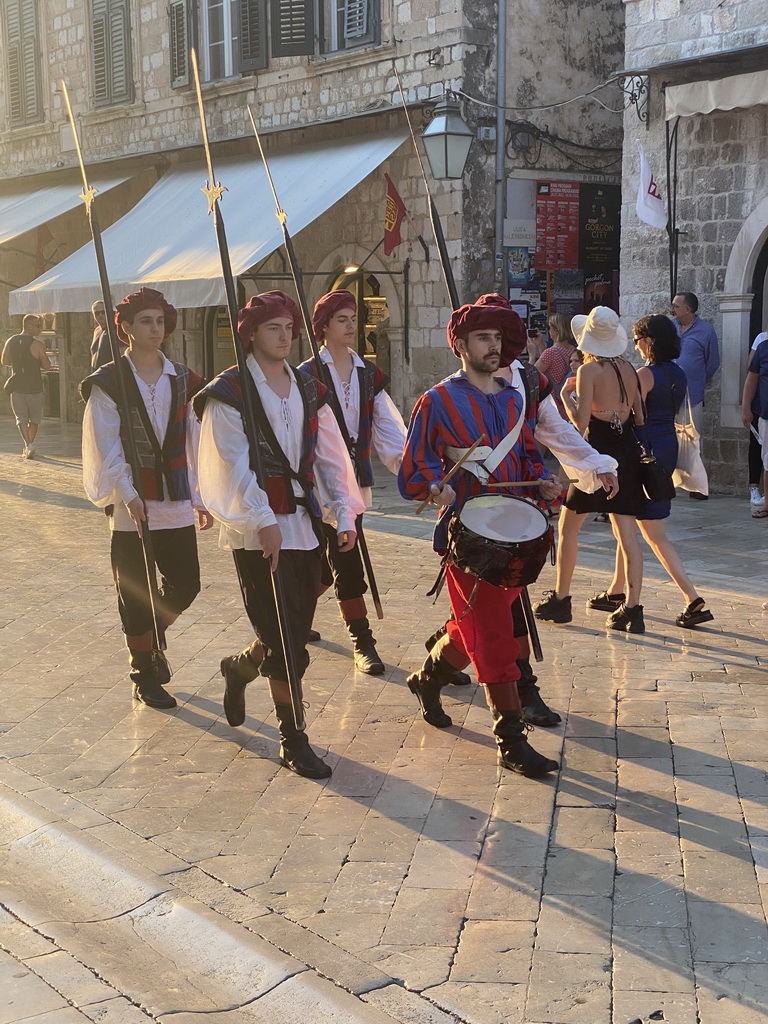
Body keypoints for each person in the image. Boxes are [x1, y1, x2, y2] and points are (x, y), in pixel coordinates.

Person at [195, 290, 364, 779]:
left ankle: (241, 667)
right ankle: (294, 738)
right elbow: (229, 463)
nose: (284, 336)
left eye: (289, 328)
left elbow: (330, 454)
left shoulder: (310, 387)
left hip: (305, 524)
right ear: (251, 334)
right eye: (274, 328)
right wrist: (259, 519)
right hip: (258, 531)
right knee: (286, 640)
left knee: (288, 629)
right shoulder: (229, 392)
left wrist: (344, 512)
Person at [399, 297, 562, 778]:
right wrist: (435, 484)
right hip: (469, 536)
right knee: (493, 634)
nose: (493, 347)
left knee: (471, 623)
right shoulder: (438, 400)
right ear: (461, 345)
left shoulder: (514, 397)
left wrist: (544, 482)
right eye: (483, 338)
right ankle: (510, 740)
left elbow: (529, 457)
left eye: (498, 338)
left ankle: (427, 679)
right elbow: (415, 468)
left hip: (512, 529)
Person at [81, 288, 212, 709]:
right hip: (131, 505)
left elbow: (195, 439)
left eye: (159, 322)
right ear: (125, 329)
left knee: (186, 583)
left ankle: (151, 640)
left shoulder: (183, 378)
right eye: (145, 322)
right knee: (135, 591)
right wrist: (127, 492)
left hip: (173, 498)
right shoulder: (109, 382)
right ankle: (144, 672)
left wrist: (202, 494)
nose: (155, 329)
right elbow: (106, 444)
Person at [298, 290, 407, 674]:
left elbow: (388, 428)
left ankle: (297, 621)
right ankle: (363, 641)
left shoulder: (368, 374)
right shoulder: (307, 375)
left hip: (354, 483)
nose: (350, 325)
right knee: (340, 564)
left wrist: (409, 466)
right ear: (323, 327)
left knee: (334, 565)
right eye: (341, 319)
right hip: (317, 484)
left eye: (352, 318)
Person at [593, 315, 714, 628]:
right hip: (667, 445)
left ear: (649, 341)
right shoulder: (679, 373)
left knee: (651, 534)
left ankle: (693, 599)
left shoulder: (645, 374)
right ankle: (616, 591)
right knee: (631, 524)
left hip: (644, 449)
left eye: (638, 339)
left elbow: (629, 414)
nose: (635, 345)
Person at [534, 306, 647, 632]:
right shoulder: (629, 367)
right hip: (625, 452)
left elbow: (580, 423)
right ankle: (633, 607)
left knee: (569, 528)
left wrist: (567, 395)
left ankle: (561, 598)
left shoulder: (588, 372)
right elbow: (639, 417)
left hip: (595, 454)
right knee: (628, 535)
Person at [671, 291, 720, 500]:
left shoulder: (705, 331)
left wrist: (697, 379)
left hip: (693, 394)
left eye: (676, 306)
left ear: (688, 309)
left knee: (693, 439)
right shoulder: (670, 328)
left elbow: (713, 362)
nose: (672, 309)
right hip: (669, 393)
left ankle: (697, 486)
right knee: (669, 438)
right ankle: (669, 482)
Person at [2, 314, 50, 459]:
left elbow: (4, 360)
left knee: (21, 418)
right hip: (34, 387)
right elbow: (47, 365)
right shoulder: (38, 344)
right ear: (28, 325)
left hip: (17, 386)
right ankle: (29, 444)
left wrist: (19, 366)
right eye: (37, 325)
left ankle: (28, 445)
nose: (40, 329)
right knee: (34, 419)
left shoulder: (10, 341)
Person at [742, 331, 768, 522]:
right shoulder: (763, 348)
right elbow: (752, 379)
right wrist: (746, 408)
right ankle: (767, 505)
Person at [535, 312, 576, 418]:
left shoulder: (550, 353)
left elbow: (533, 374)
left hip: (555, 405)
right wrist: (541, 346)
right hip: (571, 403)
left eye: (550, 328)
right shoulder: (575, 351)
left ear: (556, 330)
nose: (549, 331)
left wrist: (531, 354)